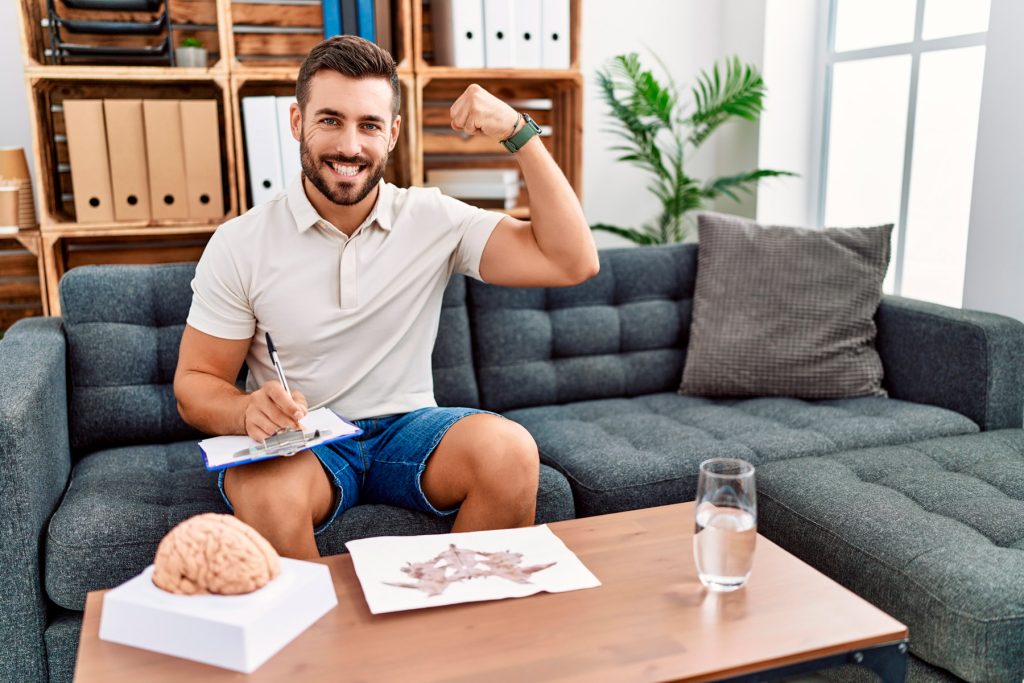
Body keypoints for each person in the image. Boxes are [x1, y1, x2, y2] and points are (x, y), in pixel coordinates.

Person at [173, 35, 599, 560]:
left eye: (369, 125)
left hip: (410, 430)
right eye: (330, 120)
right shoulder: (241, 242)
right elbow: (195, 385)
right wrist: (244, 411)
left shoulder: (431, 217)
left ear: (392, 133)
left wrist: (519, 133)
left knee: (509, 450)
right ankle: (319, 641)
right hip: (305, 440)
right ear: (296, 122)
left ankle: (462, 632)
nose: (350, 145)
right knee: (265, 489)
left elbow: (572, 261)